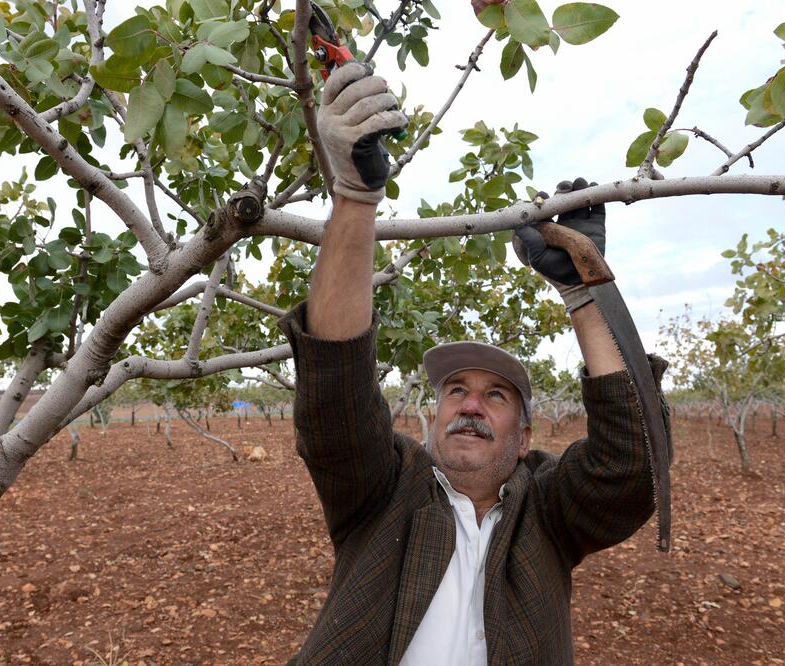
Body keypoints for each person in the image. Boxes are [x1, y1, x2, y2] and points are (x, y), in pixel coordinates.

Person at [277, 62, 670, 665]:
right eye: (456, 390)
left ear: (525, 439)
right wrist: (355, 196)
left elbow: (632, 468)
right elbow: (335, 390)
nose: (470, 405)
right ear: (433, 419)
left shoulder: (547, 511)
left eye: (497, 395)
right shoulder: (385, 490)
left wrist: (586, 290)